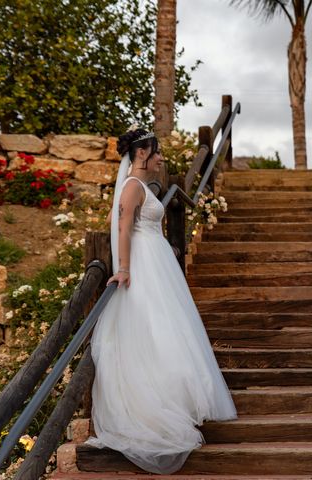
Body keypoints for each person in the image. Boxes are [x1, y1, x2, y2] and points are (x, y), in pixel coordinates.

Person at [86, 128, 237, 473]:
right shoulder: (133, 187)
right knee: (154, 331)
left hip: (157, 262)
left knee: (168, 331)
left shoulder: (137, 188)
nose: (159, 159)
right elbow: (122, 228)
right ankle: (157, 409)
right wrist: (124, 268)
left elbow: (118, 220)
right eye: (155, 153)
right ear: (141, 154)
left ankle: (175, 403)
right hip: (144, 267)